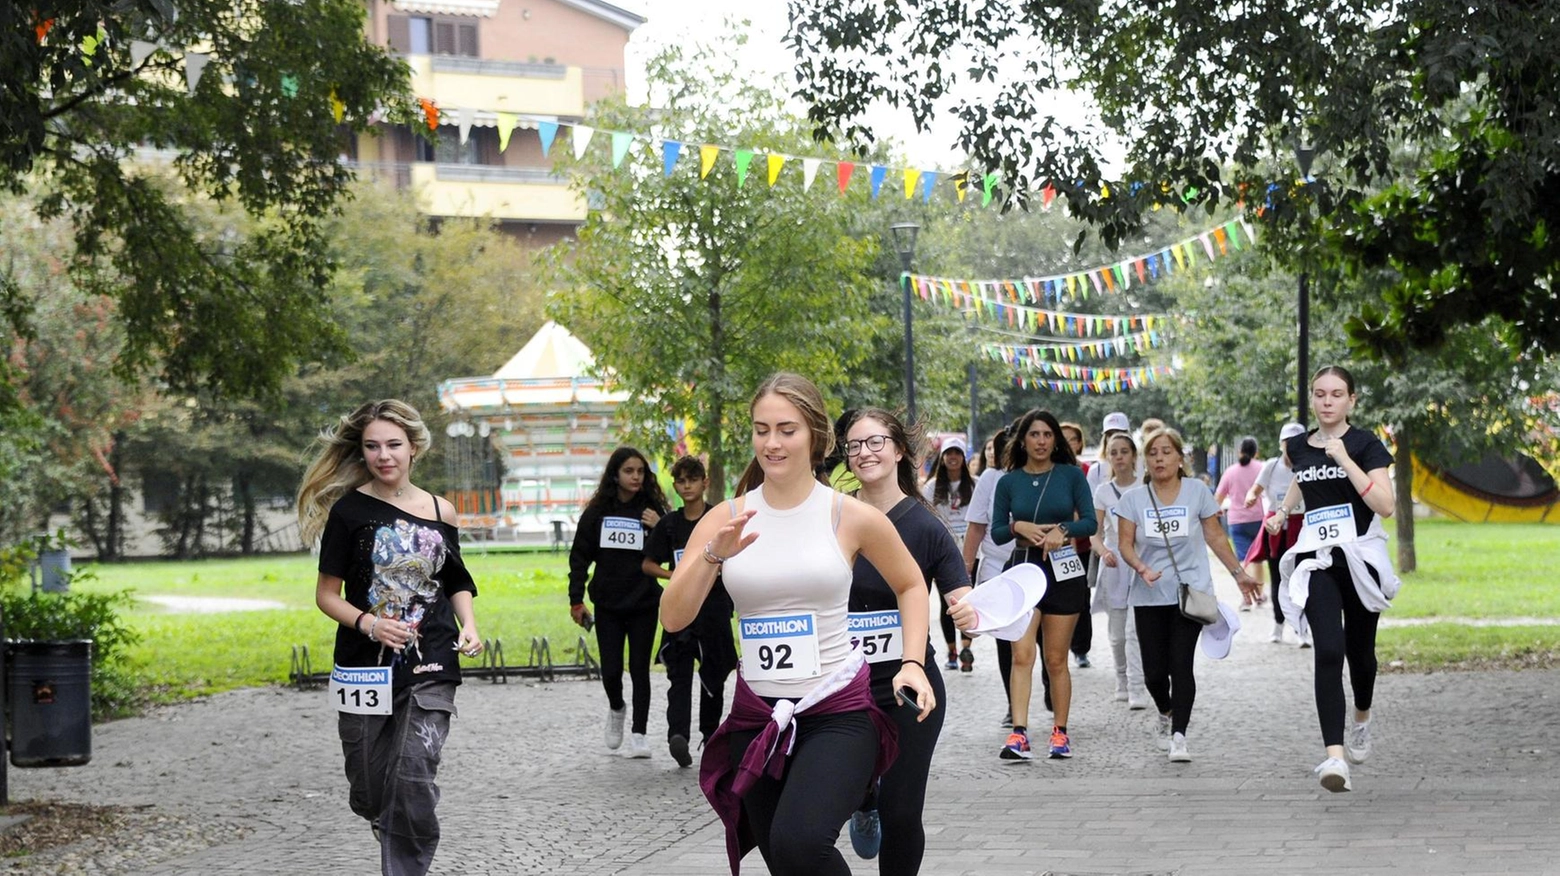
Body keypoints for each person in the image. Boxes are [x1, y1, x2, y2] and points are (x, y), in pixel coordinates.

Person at [663, 372, 936, 876]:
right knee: (784, 861)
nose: (772, 442)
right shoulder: (726, 517)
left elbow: (911, 584)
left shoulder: (848, 515)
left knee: (799, 842)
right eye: (761, 429)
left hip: (837, 713)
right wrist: (710, 555)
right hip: (758, 717)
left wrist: (912, 663)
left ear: (815, 434)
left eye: (786, 429)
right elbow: (674, 617)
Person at [297, 399, 483, 876]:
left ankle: (405, 863)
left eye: (394, 445)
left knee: (414, 773)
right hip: (364, 665)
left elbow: (456, 579)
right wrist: (370, 623)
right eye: (373, 446)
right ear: (362, 452)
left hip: (431, 658)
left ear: (414, 448)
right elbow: (326, 595)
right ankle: (386, 813)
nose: (385, 455)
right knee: (369, 784)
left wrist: (470, 626)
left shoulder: (442, 510)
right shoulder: (348, 511)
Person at [843, 409, 971, 873]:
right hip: (841, 686)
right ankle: (863, 799)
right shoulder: (831, 516)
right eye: (854, 445)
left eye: (875, 442)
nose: (864, 453)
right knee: (848, 790)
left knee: (902, 811)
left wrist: (968, 611)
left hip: (909, 685)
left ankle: (880, 804)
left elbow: (961, 594)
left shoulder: (925, 525)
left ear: (899, 450)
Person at [1267, 365, 1397, 793]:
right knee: (1328, 650)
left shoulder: (1366, 445)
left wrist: (1343, 459)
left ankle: (1362, 715)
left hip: (1359, 558)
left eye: (1336, 394)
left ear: (1351, 401)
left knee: (1361, 656)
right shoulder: (1296, 447)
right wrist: (1284, 511)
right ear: (1312, 399)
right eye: (1320, 394)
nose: (1327, 402)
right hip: (1319, 558)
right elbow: (1302, 482)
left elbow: (1385, 504)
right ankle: (1334, 758)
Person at [1116, 427, 1262, 762]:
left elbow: (1214, 536)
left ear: (1180, 458)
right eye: (1152, 453)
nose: (1159, 458)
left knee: (1180, 665)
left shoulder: (1196, 491)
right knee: (1154, 672)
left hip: (1190, 592)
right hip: (1149, 593)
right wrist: (1141, 567)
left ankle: (1179, 735)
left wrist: (1239, 574)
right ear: (1145, 461)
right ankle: (1165, 712)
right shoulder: (1133, 500)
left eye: (1166, 451)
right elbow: (1125, 544)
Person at [989, 409, 1097, 760]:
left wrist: (1062, 530)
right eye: (1034, 435)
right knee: (1021, 655)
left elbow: (1091, 523)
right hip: (1023, 568)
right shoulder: (1008, 481)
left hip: (1063, 570)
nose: (1040, 441)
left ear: (1056, 440)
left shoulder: (1071, 475)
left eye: (1047, 435)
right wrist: (1019, 526)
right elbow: (997, 531)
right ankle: (1019, 733)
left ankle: (1060, 732)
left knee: (1056, 659)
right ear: (1022, 440)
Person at [568, 446, 669, 759]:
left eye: (640, 471)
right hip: (608, 603)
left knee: (639, 669)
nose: (636, 476)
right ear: (615, 474)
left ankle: (639, 734)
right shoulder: (598, 511)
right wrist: (576, 599)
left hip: (644, 602)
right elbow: (579, 556)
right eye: (629, 471)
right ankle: (617, 708)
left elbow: (669, 551)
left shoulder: (651, 510)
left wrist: (659, 525)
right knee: (611, 670)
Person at [644, 455, 737, 767]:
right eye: (681, 481)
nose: (687, 486)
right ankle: (677, 735)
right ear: (675, 485)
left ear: (704, 483)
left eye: (692, 480)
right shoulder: (669, 525)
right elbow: (648, 563)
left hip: (714, 608)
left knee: (714, 674)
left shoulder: (719, 519)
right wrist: (678, 577)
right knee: (679, 674)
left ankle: (711, 735)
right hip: (682, 610)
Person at [962, 425, 1031, 721]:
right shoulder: (991, 478)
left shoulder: (1052, 475)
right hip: (999, 567)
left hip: (1041, 564)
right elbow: (977, 525)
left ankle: (1050, 682)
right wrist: (965, 570)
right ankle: (1012, 703)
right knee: (1009, 639)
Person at [1088, 431, 1149, 709]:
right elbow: (1094, 532)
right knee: (1117, 632)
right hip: (1115, 563)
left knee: (1136, 629)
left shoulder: (1145, 487)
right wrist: (1103, 551)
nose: (1119, 457)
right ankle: (1121, 679)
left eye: (1124, 451)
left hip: (1141, 561)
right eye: (1114, 452)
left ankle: (1138, 686)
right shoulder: (1103, 492)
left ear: (1134, 455)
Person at [1246, 423, 1308, 644]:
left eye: (1296, 443)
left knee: (1302, 578)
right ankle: (1278, 624)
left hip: (1302, 530)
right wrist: (1251, 497)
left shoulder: (1308, 465)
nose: (1291, 448)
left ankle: (1302, 628)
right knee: (1278, 577)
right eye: (1287, 443)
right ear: (1281, 444)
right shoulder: (1272, 466)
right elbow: (1256, 488)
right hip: (1276, 530)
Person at [922, 436, 975, 672]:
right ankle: (952, 649)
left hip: (970, 549)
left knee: (968, 600)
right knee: (948, 604)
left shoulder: (975, 484)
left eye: (957, 453)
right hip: (942, 551)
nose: (953, 458)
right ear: (942, 458)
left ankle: (966, 647)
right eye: (948, 453)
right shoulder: (931, 487)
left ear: (964, 458)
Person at [1215, 435, 1267, 611]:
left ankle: (1247, 598)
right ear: (1256, 452)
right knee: (1257, 559)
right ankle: (1259, 594)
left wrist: (1215, 512)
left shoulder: (1230, 471)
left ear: (1240, 451)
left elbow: (1219, 497)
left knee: (1244, 559)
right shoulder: (1261, 468)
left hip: (1237, 520)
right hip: (1258, 519)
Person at [1058, 421, 1094, 669]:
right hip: (1054, 547)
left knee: (1081, 597)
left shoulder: (1086, 471)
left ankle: (1080, 648)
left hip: (1080, 547)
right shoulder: (1052, 470)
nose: (1069, 443)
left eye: (1073, 439)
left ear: (1080, 443)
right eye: (1064, 438)